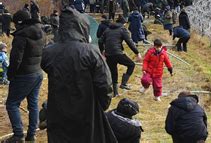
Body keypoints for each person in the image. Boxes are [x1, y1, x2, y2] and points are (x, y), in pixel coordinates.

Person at [41, 7, 117, 143]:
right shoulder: (91, 52)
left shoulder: (49, 52)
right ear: (82, 26)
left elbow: (47, 66)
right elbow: (104, 83)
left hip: (58, 108)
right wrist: (103, 105)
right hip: (86, 109)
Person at [4, 10, 45, 143]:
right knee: (33, 104)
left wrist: (10, 75)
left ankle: (18, 135)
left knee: (12, 104)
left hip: (24, 75)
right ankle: (31, 135)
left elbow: (16, 59)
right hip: (38, 73)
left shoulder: (21, 36)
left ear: (20, 22)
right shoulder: (40, 32)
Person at [99, 16, 142, 96]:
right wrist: (137, 53)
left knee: (113, 72)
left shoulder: (108, 29)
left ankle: (115, 93)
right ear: (123, 23)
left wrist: (102, 51)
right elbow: (129, 42)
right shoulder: (122, 29)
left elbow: (100, 41)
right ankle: (123, 83)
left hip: (109, 54)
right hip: (117, 53)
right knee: (131, 65)